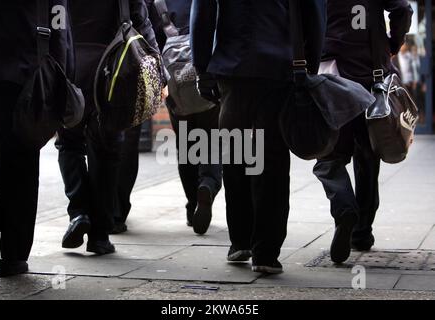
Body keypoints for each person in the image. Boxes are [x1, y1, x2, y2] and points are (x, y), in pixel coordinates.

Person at [191, 0, 326, 273]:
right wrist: (310, 63)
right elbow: (314, 11)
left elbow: (202, 11)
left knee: (237, 153)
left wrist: (202, 68)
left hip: (233, 65)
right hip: (279, 66)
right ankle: (266, 252)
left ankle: (240, 240)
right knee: (272, 159)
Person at [56, 0, 160, 253]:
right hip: (112, 70)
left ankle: (79, 212)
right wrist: (159, 69)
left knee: (69, 142)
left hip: (70, 66)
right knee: (107, 149)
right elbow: (140, 21)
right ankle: (100, 236)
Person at [313, 0, 413, 264]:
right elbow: (402, 9)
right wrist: (392, 43)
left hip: (332, 74)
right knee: (368, 156)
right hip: (372, 74)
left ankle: (344, 207)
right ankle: (361, 232)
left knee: (329, 156)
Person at [0, 0, 74, 276]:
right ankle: (13, 257)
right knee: (21, 170)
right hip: (26, 78)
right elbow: (60, 26)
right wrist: (63, 80)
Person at [145, 0, 222, 235]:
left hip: (176, 84)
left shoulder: (158, 2)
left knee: (186, 147)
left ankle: (192, 206)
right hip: (206, 77)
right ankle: (207, 185)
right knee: (211, 143)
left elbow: (151, 43)